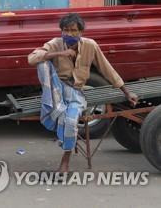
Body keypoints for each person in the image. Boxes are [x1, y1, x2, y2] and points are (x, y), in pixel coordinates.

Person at [27, 13, 138, 173]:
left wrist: (127, 92)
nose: (69, 34)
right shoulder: (56, 43)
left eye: (73, 30)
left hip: (76, 92)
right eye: (65, 30)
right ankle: (57, 112)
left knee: (71, 122)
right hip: (56, 90)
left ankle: (65, 161)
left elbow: (107, 69)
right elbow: (31, 58)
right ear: (61, 31)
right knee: (41, 63)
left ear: (81, 32)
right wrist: (59, 54)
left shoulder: (90, 45)